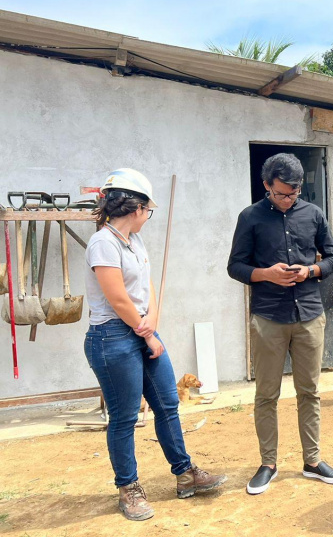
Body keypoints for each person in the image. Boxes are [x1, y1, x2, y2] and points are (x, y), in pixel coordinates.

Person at [84, 168, 226, 521]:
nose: (149, 216)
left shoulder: (135, 240)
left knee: (167, 405)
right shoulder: (103, 242)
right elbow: (117, 299)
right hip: (113, 336)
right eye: (148, 209)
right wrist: (146, 333)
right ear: (136, 207)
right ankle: (128, 489)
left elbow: (147, 286)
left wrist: (154, 322)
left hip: (142, 329)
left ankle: (185, 473)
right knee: (125, 417)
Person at [227, 153, 333, 495]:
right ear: (267, 186)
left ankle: (312, 461)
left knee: (310, 392)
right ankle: (268, 463)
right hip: (268, 317)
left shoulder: (314, 214)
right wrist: (266, 274)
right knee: (267, 394)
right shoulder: (249, 217)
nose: (288, 199)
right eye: (281, 193)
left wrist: (310, 270)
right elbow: (235, 266)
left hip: (309, 314)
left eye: (293, 194)